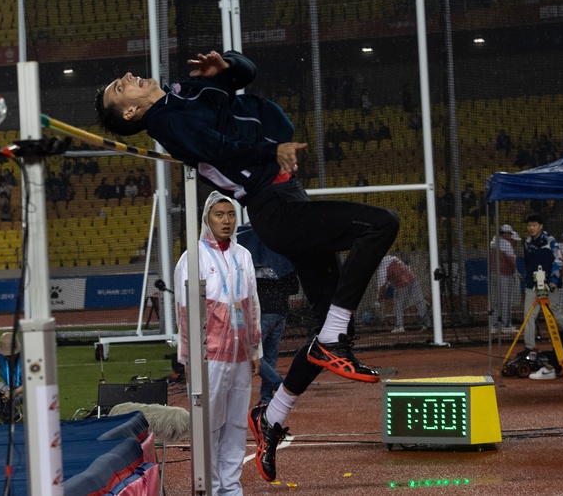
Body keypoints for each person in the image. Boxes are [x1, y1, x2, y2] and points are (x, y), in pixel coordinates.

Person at [95, 50, 399, 482]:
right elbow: (220, 148)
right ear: (130, 110)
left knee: (331, 330)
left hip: (289, 198)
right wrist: (271, 149)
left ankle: (273, 417)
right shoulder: (167, 122)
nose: (127, 75)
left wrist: (229, 67)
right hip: (275, 209)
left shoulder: (183, 92)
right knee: (381, 225)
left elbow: (244, 79)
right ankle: (329, 338)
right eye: (120, 86)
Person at [174, 191, 261, 496]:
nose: (226, 221)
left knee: (236, 424)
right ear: (207, 219)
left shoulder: (244, 256)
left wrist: (254, 349)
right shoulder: (193, 258)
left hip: (239, 356)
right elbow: (184, 312)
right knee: (208, 424)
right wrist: (187, 358)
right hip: (208, 357)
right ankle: (207, 488)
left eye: (231, 214)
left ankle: (231, 488)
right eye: (219, 215)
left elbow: (252, 306)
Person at [237, 222, 299, 406]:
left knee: (252, 353)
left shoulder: (248, 262)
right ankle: (266, 398)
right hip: (280, 312)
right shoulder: (282, 258)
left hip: (262, 314)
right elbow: (294, 288)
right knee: (270, 357)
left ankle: (280, 385)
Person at [519, 213, 563, 355]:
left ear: (541, 226)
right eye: (529, 225)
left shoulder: (550, 241)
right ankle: (530, 347)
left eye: (534, 225)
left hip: (548, 285)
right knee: (528, 316)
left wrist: (553, 281)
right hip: (532, 285)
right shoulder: (527, 242)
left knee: (555, 315)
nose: (531, 228)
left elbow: (559, 261)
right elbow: (528, 263)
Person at [374, 254, 430, 334]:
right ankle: (427, 323)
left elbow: (382, 286)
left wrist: (378, 300)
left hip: (402, 284)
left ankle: (399, 326)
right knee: (419, 302)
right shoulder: (391, 258)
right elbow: (388, 280)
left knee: (398, 306)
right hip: (413, 279)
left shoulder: (382, 268)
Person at [489, 225, 522, 334]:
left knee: (495, 300)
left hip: (493, 274)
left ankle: (494, 325)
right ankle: (506, 325)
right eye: (509, 234)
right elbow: (511, 262)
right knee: (505, 301)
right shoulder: (506, 244)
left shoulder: (493, 242)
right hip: (504, 275)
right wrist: (515, 273)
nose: (510, 236)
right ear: (505, 234)